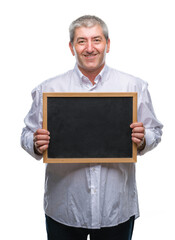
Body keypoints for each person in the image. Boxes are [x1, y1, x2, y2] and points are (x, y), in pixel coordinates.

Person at [21, 15, 163, 240]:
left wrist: (143, 137)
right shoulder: (49, 89)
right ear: (71, 47)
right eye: (81, 41)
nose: (89, 48)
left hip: (115, 208)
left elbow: (155, 131)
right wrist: (36, 144)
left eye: (96, 40)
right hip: (65, 209)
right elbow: (27, 135)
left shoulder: (133, 86)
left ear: (108, 44)